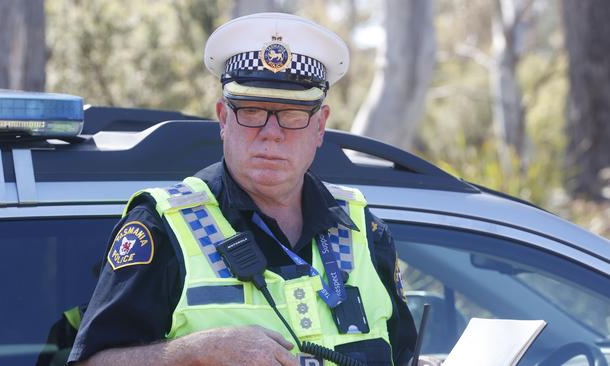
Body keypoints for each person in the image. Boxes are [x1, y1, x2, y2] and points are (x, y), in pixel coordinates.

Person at [68, 12, 417, 366]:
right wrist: (196, 352)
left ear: (320, 126)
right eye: (251, 111)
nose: (271, 133)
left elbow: (403, 354)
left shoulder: (362, 228)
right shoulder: (163, 228)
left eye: (293, 115)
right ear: (223, 119)